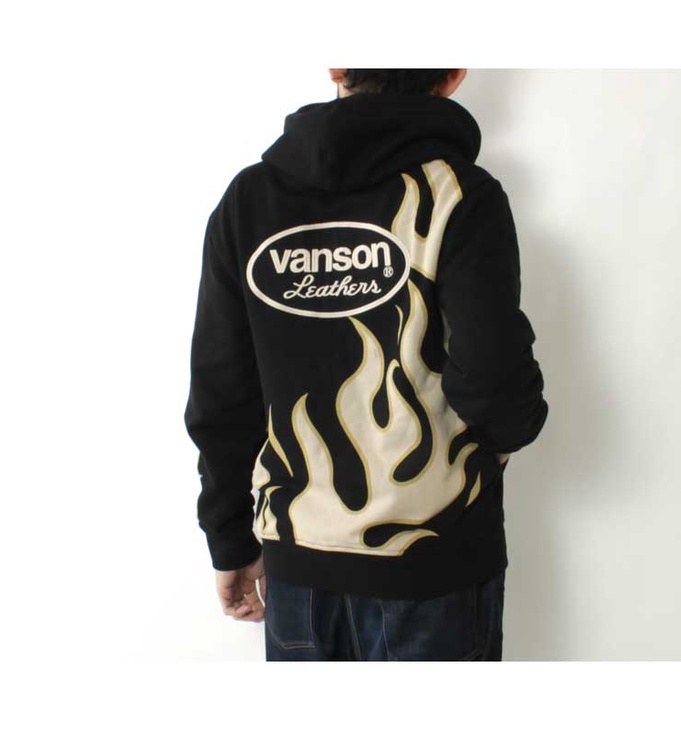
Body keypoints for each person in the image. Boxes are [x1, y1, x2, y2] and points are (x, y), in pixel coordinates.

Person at [183, 69, 549, 660]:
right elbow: (493, 377)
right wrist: (506, 433)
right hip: (434, 563)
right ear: (454, 74)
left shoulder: (249, 200)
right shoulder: (460, 194)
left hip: (299, 566)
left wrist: (229, 540)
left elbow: (222, 391)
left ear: (336, 66)